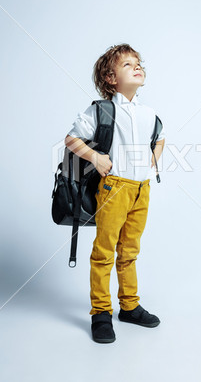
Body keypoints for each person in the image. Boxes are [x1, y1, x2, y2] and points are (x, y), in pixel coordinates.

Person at [64, 43, 165, 344]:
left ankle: (130, 306)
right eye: (127, 64)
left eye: (138, 62)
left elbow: (159, 136)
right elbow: (71, 138)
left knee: (130, 250)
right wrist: (95, 158)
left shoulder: (149, 113)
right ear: (110, 78)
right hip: (113, 188)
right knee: (104, 252)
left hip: (141, 191)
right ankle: (101, 312)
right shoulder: (102, 110)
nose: (137, 66)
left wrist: (153, 159)